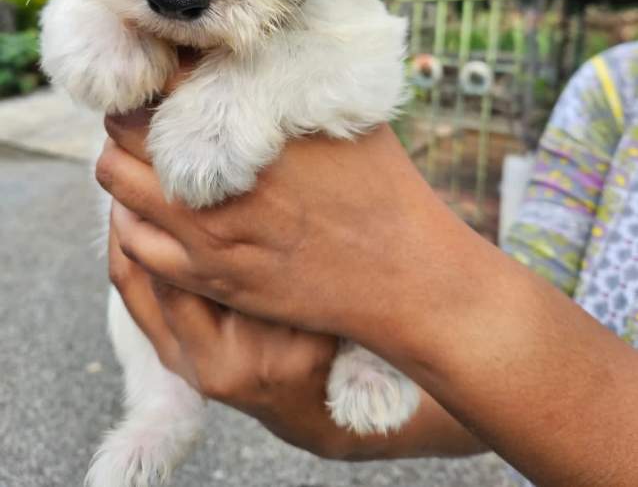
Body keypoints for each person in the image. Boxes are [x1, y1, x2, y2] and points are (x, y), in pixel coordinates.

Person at [98, 41, 638, 487]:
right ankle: (162, 407)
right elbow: (534, 306)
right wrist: (328, 426)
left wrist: (393, 300)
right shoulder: (610, 91)